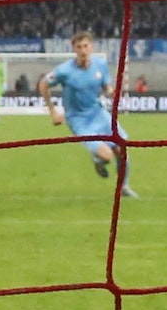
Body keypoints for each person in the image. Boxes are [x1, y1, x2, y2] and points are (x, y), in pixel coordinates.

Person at [41, 32, 137, 198]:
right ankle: (98, 160)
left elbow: (106, 87)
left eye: (86, 46)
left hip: (99, 114)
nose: (83, 50)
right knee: (106, 155)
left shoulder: (100, 64)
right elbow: (43, 84)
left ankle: (124, 187)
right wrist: (53, 111)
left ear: (91, 47)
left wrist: (111, 92)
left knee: (122, 149)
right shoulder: (65, 71)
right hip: (79, 121)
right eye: (79, 47)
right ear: (74, 50)